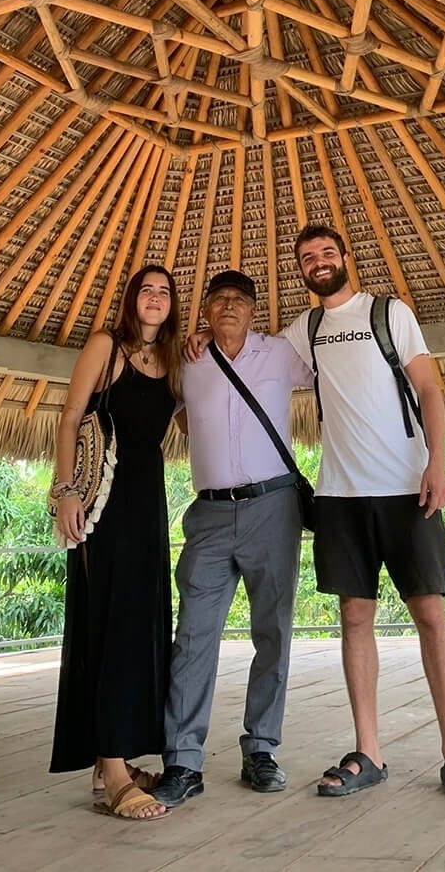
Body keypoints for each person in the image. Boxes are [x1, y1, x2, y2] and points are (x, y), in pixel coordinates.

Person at [281, 223, 445, 800]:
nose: (319, 261)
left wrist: (437, 464)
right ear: (301, 270)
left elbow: (429, 389)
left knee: (430, 613)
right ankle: (368, 750)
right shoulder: (306, 329)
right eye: (308, 257)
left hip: (407, 487)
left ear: (346, 257)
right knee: (354, 616)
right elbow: (255, 364)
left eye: (328, 252)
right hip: (339, 495)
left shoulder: (388, 312)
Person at [150, 269, 314, 809]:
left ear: (253, 310)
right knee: (194, 636)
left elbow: (331, 364)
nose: (228, 307)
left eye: (238, 300)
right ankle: (182, 761)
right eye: (218, 300)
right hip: (211, 514)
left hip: (274, 507)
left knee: (274, 632)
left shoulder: (280, 353)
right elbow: (178, 417)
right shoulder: (187, 359)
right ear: (204, 312)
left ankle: (260, 749)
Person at [49, 265, 183, 821]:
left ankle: (117, 761)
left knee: (142, 628)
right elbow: (70, 417)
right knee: (109, 627)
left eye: (165, 293)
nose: (155, 299)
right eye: (146, 291)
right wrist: (64, 492)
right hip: (102, 504)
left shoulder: (172, 362)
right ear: (132, 301)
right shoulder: (106, 346)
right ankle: (114, 772)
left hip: (148, 505)